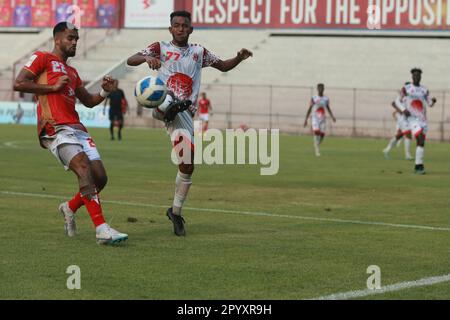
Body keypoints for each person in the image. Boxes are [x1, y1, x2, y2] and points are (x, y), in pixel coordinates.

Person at [126, 10, 253, 236]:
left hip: (185, 114)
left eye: (185, 26)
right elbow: (131, 59)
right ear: (170, 29)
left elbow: (223, 66)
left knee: (188, 165)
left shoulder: (198, 52)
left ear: (191, 29)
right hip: (164, 104)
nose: (181, 29)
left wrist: (239, 58)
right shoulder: (161, 47)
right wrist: (147, 58)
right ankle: (166, 106)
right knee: (166, 100)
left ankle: (175, 211)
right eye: (177, 25)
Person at [13, 22, 128, 244]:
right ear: (57, 40)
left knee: (100, 178)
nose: (74, 42)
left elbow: (88, 101)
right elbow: (19, 83)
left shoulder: (72, 72)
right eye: (70, 38)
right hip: (54, 126)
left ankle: (69, 207)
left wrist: (105, 91)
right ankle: (102, 230)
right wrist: (52, 88)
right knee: (83, 168)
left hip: (77, 128)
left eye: (76, 39)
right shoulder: (42, 58)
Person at [392, 68, 437, 174]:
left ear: (421, 77)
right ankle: (419, 166)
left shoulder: (424, 90)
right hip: (412, 119)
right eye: (415, 75)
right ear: (412, 77)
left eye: (418, 75)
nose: (416, 77)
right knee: (420, 137)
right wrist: (403, 110)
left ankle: (418, 166)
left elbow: (429, 103)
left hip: (422, 120)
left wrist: (433, 101)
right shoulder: (407, 88)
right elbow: (397, 101)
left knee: (421, 142)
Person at [303, 83, 336, 156]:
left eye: (322, 88)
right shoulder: (314, 98)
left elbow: (328, 108)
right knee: (317, 132)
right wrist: (306, 119)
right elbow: (309, 108)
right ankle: (317, 149)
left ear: (323, 89)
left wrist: (332, 116)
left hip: (322, 119)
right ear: (317, 89)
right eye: (319, 88)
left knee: (322, 135)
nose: (320, 90)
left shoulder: (326, 99)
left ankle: (316, 144)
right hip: (315, 118)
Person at [383, 84, 413, 160]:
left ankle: (387, 150)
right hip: (402, 119)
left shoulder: (409, 96)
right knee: (408, 134)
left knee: (400, 135)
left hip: (406, 119)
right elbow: (393, 103)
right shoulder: (401, 96)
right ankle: (407, 155)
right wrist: (401, 111)